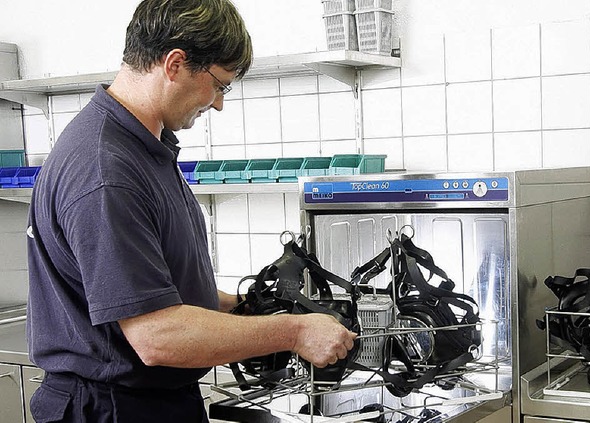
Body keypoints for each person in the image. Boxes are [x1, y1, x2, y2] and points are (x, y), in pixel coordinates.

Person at [26, 0, 357, 421]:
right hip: (111, 409)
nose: (218, 103)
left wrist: (242, 305)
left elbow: (152, 289)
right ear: (175, 64)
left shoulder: (143, 149)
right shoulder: (106, 170)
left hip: (150, 401)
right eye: (219, 85)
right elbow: (157, 335)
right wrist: (295, 332)